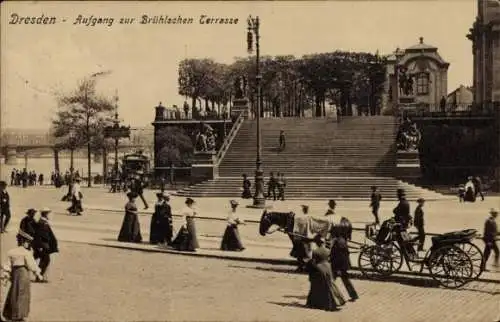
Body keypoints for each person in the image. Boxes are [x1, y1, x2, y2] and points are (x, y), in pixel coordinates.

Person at [1, 230, 44, 322]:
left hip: (15, 274)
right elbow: (32, 265)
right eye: (27, 242)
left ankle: (10, 313)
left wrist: (5, 276)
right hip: (23, 274)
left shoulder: (11, 252)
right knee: (22, 294)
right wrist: (38, 274)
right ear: (24, 242)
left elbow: (7, 265)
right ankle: (19, 314)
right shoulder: (26, 253)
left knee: (13, 292)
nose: (28, 245)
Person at [304, 238, 344, 311]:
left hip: (320, 268)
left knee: (317, 287)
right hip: (328, 268)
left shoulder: (315, 251)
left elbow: (313, 262)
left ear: (317, 243)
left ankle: (315, 303)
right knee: (331, 285)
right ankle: (338, 300)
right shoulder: (327, 251)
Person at [330, 234, 358, 302]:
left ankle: (329, 295)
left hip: (338, 266)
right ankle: (354, 295)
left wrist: (338, 268)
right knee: (346, 281)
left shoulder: (336, 243)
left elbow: (337, 256)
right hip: (344, 265)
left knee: (331, 281)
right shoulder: (343, 241)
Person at [33, 208, 59, 282]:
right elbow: (39, 235)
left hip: (43, 245)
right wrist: (40, 246)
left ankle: (39, 276)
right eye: (49, 214)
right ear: (46, 214)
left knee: (43, 261)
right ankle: (39, 277)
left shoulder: (43, 222)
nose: (50, 216)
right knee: (45, 261)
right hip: (43, 246)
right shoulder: (43, 223)